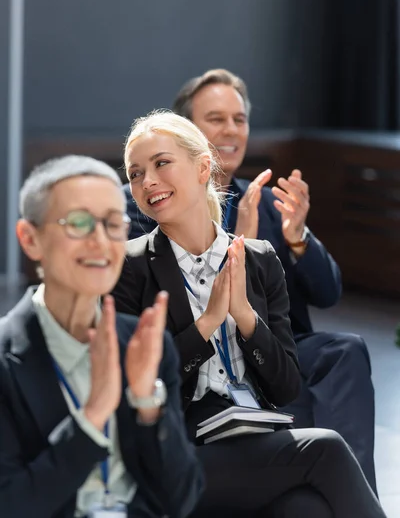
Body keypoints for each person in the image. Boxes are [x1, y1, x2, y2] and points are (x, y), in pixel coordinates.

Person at [113, 111, 386, 518]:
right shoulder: (130, 267)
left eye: (161, 163)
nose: (146, 180)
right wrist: (206, 324)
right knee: (325, 447)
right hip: (177, 451)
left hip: (255, 439)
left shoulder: (258, 259)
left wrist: (245, 319)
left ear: (203, 166)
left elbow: (286, 387)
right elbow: (134, 385)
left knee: (308, 509)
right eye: (136, 174)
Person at [0, 155, 204, 518]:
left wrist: (146, 402)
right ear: (30, 240)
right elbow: (11, 504)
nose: (100, 241)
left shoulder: (146, 346)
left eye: (112, 224)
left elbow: (181, 499)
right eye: (79, 223)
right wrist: (92, 418)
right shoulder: (5, 358)